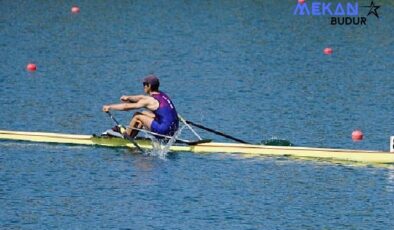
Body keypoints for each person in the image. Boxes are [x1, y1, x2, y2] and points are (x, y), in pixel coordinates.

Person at [102, 75, 179, 138]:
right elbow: (141, 97)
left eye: (144, 84)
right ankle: (132, 135)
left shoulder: (150, 100)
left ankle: (126, 136)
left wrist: (110, 107)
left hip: (164, 130)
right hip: (173, 129)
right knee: (144, 113)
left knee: (137, 116)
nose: (143, 87)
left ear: (149, 86)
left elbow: (126, 107)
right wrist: (128, 97)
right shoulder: (162, 95)